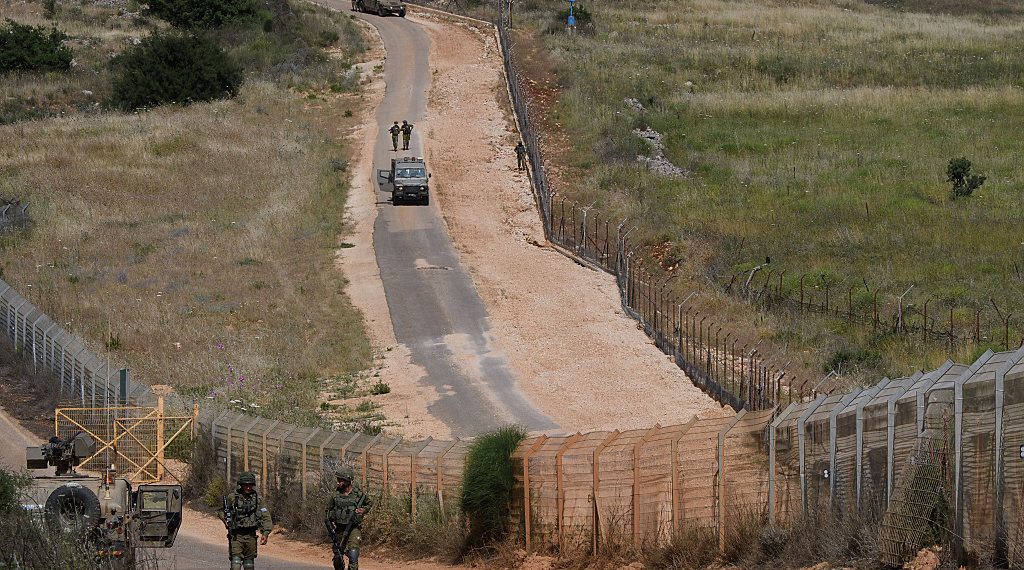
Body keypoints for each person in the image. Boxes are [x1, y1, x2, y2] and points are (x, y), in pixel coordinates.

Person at [220, 471, 273, 570]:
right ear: (241, 485)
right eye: (245, 485)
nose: (248, 487)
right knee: (235, 564)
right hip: (236, 535)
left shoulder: (257, 499)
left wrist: (265, 533)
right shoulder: (232, 498)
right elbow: (221, 511)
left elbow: (266, 516)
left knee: (249, 565)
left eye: (250, 485)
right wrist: (226, 520)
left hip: (251, 535)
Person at [325, 466, 371, 570]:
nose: (338, 483)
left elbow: (369, 503)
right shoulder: (335, 494)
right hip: (339, 528)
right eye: (338, 480)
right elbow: (328, 510)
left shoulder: (358, 494)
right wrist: (331, 522)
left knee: (353, 553)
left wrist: (363, 510)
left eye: (340, 480)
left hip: (353, 527)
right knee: (338, 556)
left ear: (347, 480)